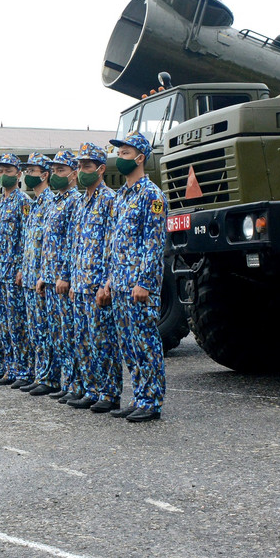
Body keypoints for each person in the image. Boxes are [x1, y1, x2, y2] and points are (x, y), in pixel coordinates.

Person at [100, 133, 168, 422]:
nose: (120, 158)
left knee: (145, 343)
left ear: (141, 158)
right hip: (120, 285)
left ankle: (151, 401)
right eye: (119, 153)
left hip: (139, 285)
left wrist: (146, 283)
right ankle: (139, 396)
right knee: (128, 344)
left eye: (126, 153)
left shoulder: (152, 195)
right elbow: (114, 244)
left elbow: (154, 243)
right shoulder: (121, 197)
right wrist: (107, 283)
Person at [65, 143, 120, 413]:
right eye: (79, 165)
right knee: (84, 341)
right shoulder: (81, 202)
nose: (81, 170)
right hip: (81, 284)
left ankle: (109, 393)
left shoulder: (110, 200)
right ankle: (91, 388)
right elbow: (76, 245)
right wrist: (75, 281)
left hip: (98, 285)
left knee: (103, 343)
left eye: (87, 166)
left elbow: (113, 247)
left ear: (100, 169)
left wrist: (107, 283)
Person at [40, 150, 81, 403]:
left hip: (64, 280)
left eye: (61, 170)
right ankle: (69, 383)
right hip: (52, 279)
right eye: (53, 171)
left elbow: (71, 243)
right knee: (60, 336)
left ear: (73, 174)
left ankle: (78, 384)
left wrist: (66, 275)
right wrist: (45, 275)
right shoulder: (56, 201)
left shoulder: (75, 200)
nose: (56, 175)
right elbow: (48, 243)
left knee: (72, 335)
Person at [0, 154, 31, 388]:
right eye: (1, 171)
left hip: (13, 274)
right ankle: (10, 368)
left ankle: (24, 370)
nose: (3, 175)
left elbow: (26, 237)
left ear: (19, 174)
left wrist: (22, 268)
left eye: (8, 170)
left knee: (18, 324)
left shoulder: (23, 201)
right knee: (3, 324)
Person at [19, 154, 57, 396]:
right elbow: (30, 242)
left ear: (44, 175)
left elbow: (51, 245)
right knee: (36, 331)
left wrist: (45, 274)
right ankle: (42, 374)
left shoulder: (51, 202)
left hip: (44, 279)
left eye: (32, 170)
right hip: (31, 277)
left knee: (47, 330)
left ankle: (51, 378)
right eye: (26, 170)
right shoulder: (34, 205)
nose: (27, 175)